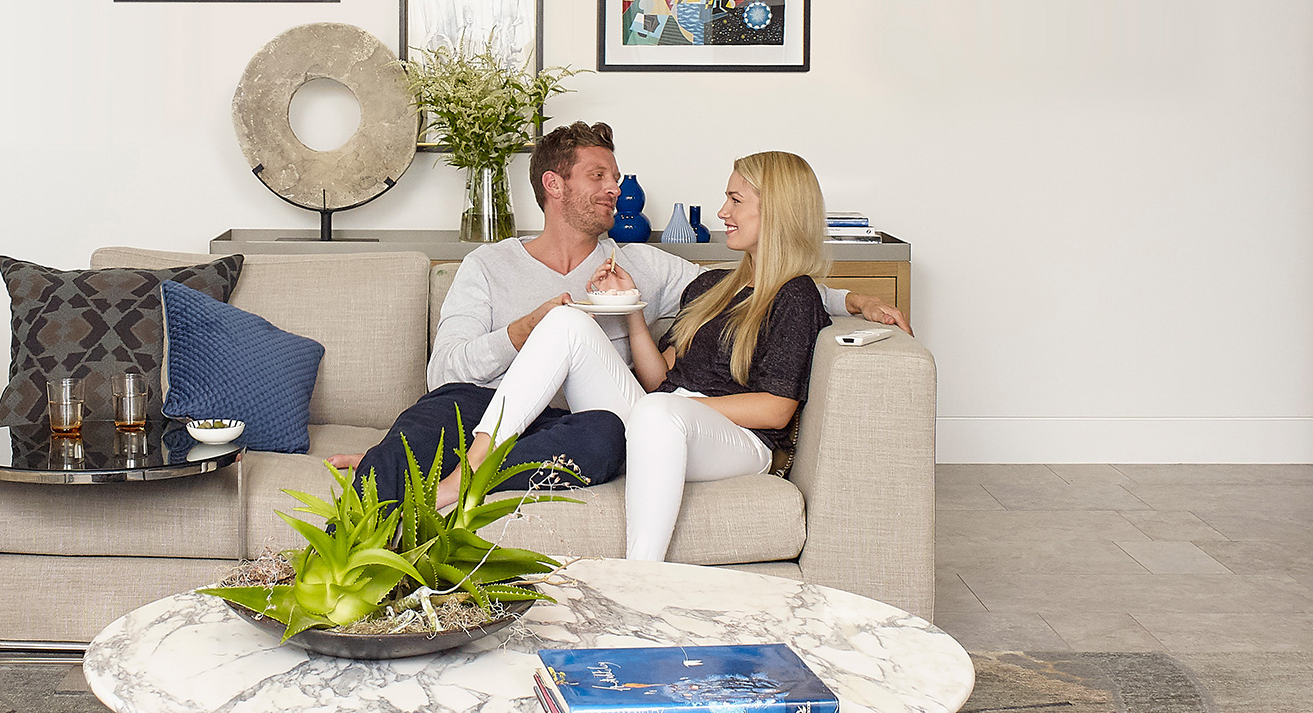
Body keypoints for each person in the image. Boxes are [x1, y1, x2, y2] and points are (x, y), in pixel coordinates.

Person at [329, 125, 904, 509]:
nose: (615, 189)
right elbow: (445, 370)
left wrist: (851, 300)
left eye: (616, 176)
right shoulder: (489, 264)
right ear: (554, 186)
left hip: (583, 423)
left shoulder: (644, 266)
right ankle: (363, 522)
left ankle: (448, 488)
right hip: (486, 406)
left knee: (605, 440)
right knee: (432, 416)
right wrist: (520, 332)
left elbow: (759, 291)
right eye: (598, 177)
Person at [445, 151, 844, 562]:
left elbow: (776, 410)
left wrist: (679, 406)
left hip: (740, 441)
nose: (722, 211)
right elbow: (658, 380)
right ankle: (472, 468)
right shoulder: (712, 285)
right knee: (566, 321)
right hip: (666, 418)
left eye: (736, 200)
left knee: (657, 413)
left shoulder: (796, 296)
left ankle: (641, 576)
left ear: (777, 210)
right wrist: (632, 309)